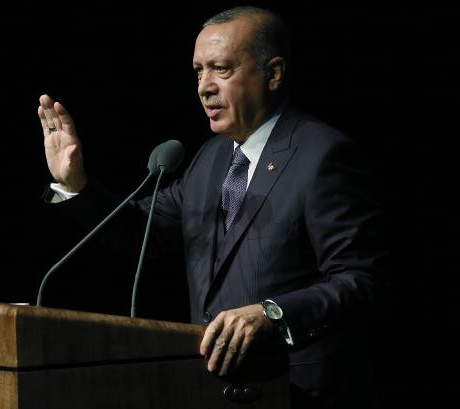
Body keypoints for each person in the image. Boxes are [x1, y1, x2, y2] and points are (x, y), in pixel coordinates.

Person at [37, 6, 387, 408]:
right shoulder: (211, 159)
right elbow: (140, 231)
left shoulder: (323, 156)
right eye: (198, 71)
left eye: (221, 69)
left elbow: (362, 280)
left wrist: (272, 314)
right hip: (214, 391)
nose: (204, 87)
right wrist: (76, 183)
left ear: (273, 73)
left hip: (299, 393)